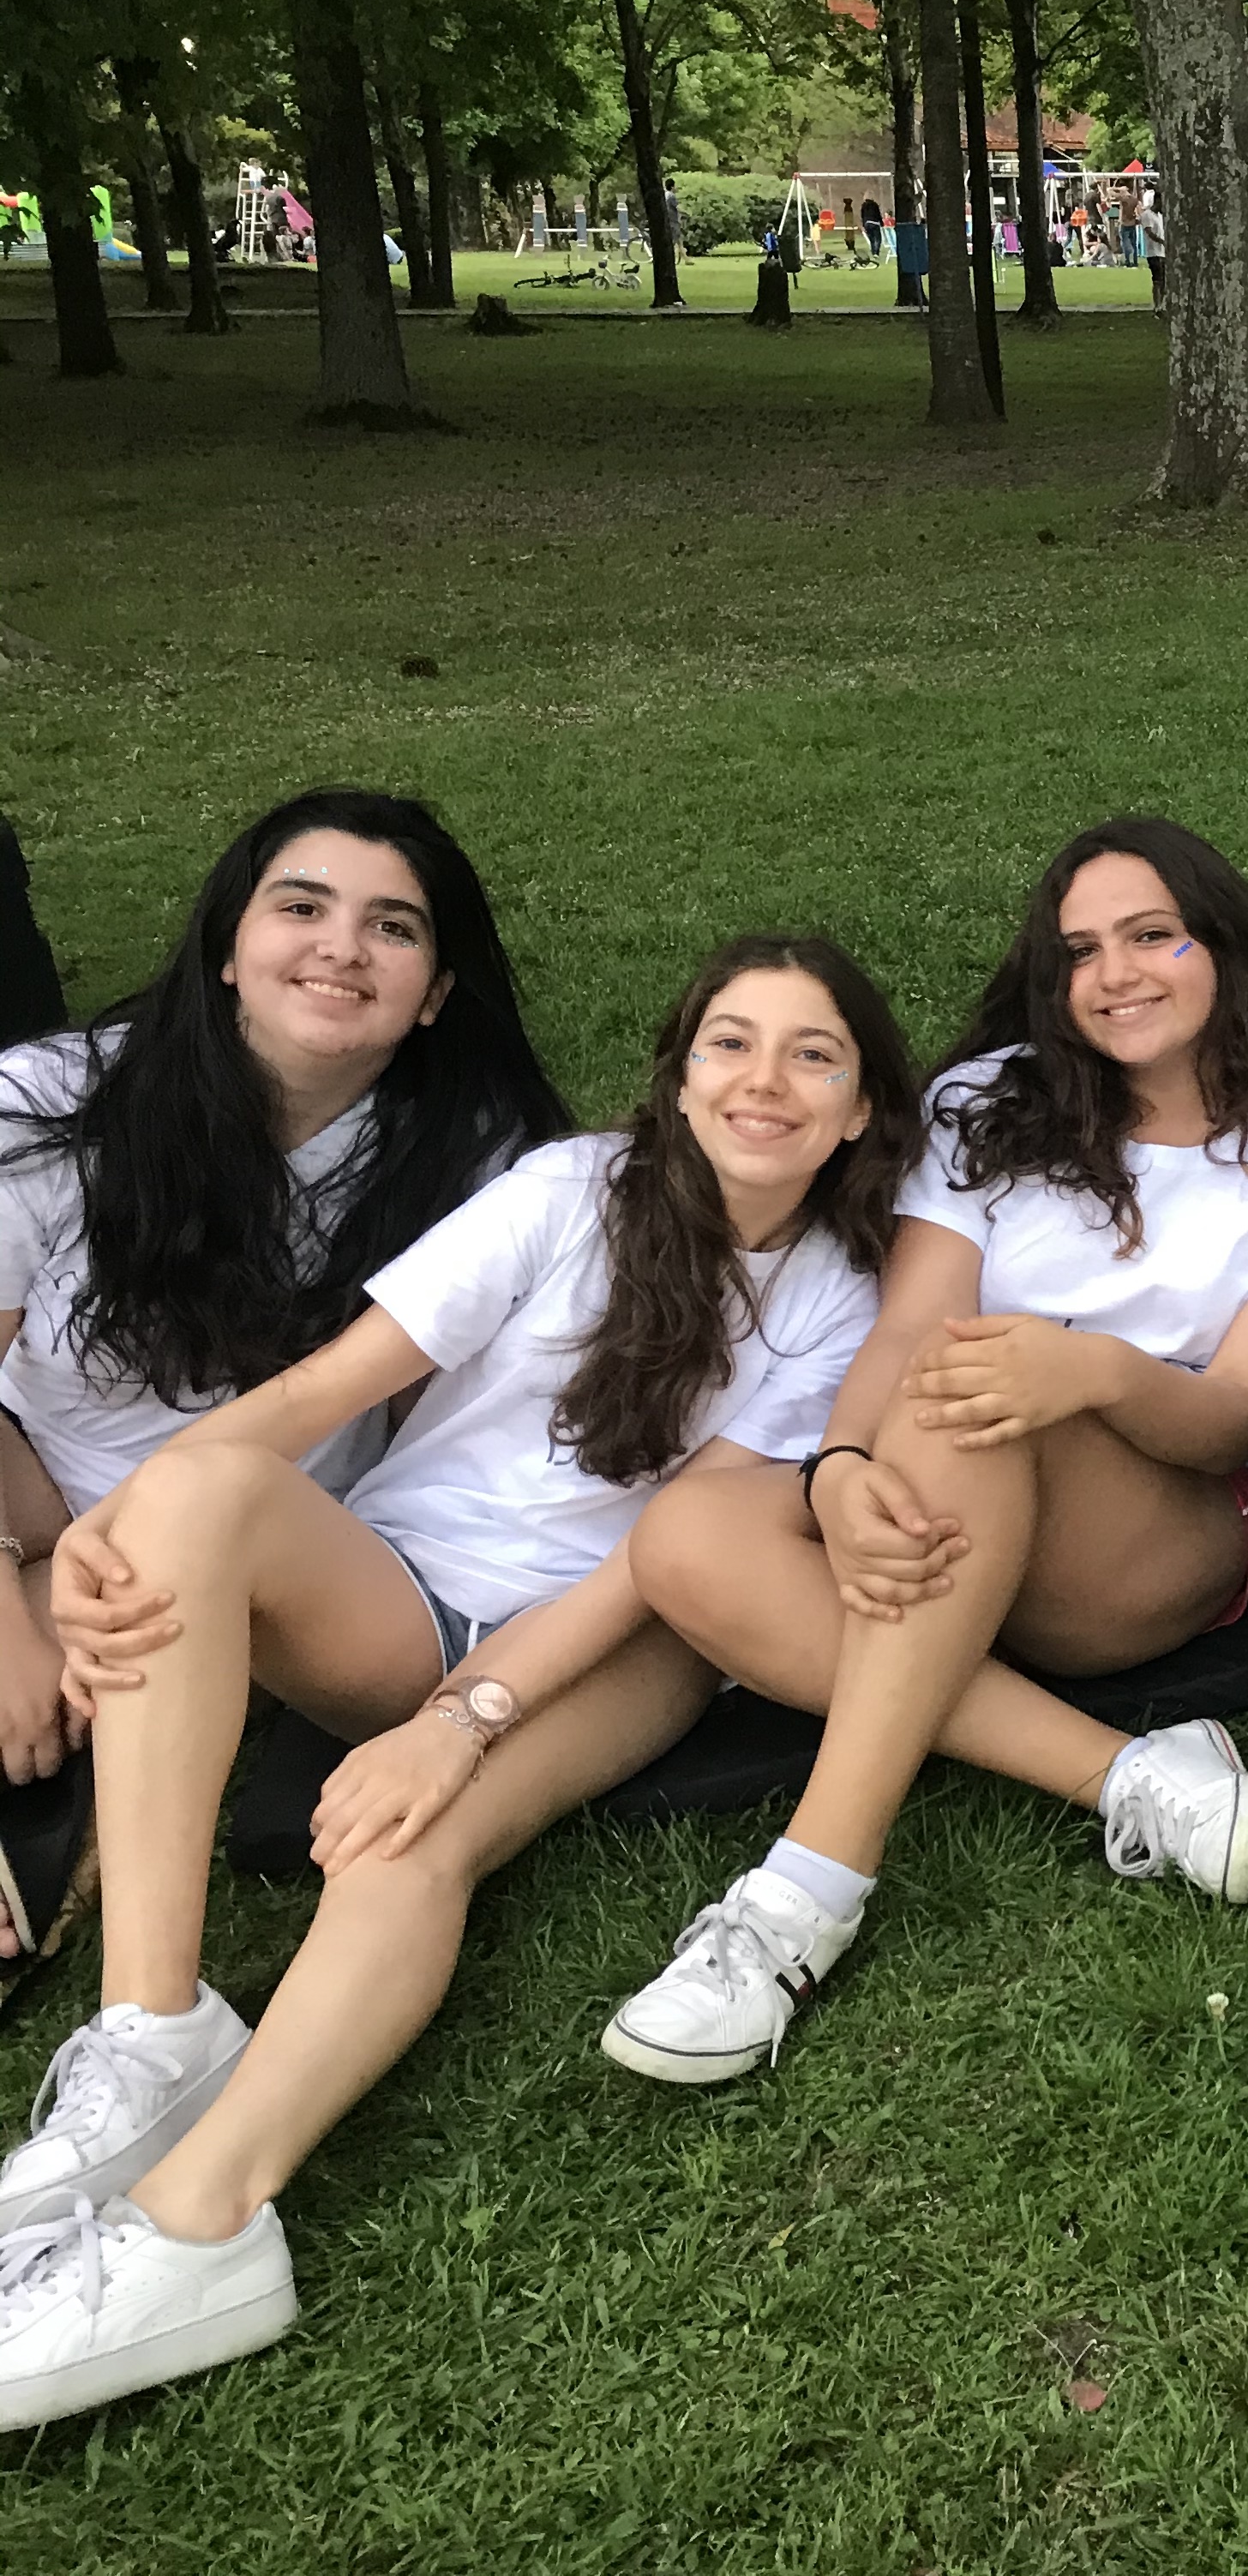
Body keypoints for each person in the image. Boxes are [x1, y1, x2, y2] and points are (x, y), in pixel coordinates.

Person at [0, 937, 915, 2429]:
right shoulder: (572, 1190)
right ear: (678, 1073)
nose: (763, 1080)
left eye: (812, 1053)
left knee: (404, 1834)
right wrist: (126, 1522)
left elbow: (667, 1556)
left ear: (863, 1103)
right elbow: (321, 1390)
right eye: (729, 1041)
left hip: (625, 1637)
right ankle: (152, 2026)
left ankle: (204, 2219)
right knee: (201, 1494)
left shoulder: (845, 1289)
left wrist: (462, 1720)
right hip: (401, 1585)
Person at [604, 819, 1248, 2086]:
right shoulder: (987, 1104)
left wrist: (1087, 1369)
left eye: (1153, 936)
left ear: (1225, 948)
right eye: (1082, 950)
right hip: (953, 1500)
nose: (1117, 973)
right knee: (686, 1536)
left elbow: (1240, 1414)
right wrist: (841, 1471)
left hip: (1154, 1538)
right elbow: (909, 1323)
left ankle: (802, 1901)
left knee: (974, 1385)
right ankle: (1130, 1777)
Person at [0, 794, 567, 1963]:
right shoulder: (53, 1106)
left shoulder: (477, 1164)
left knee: (77, 1703)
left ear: (438, 994)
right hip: (25, 1479)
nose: (341, 947)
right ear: (227, 947)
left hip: (223, 1544)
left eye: (394, 929)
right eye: (300, 906)